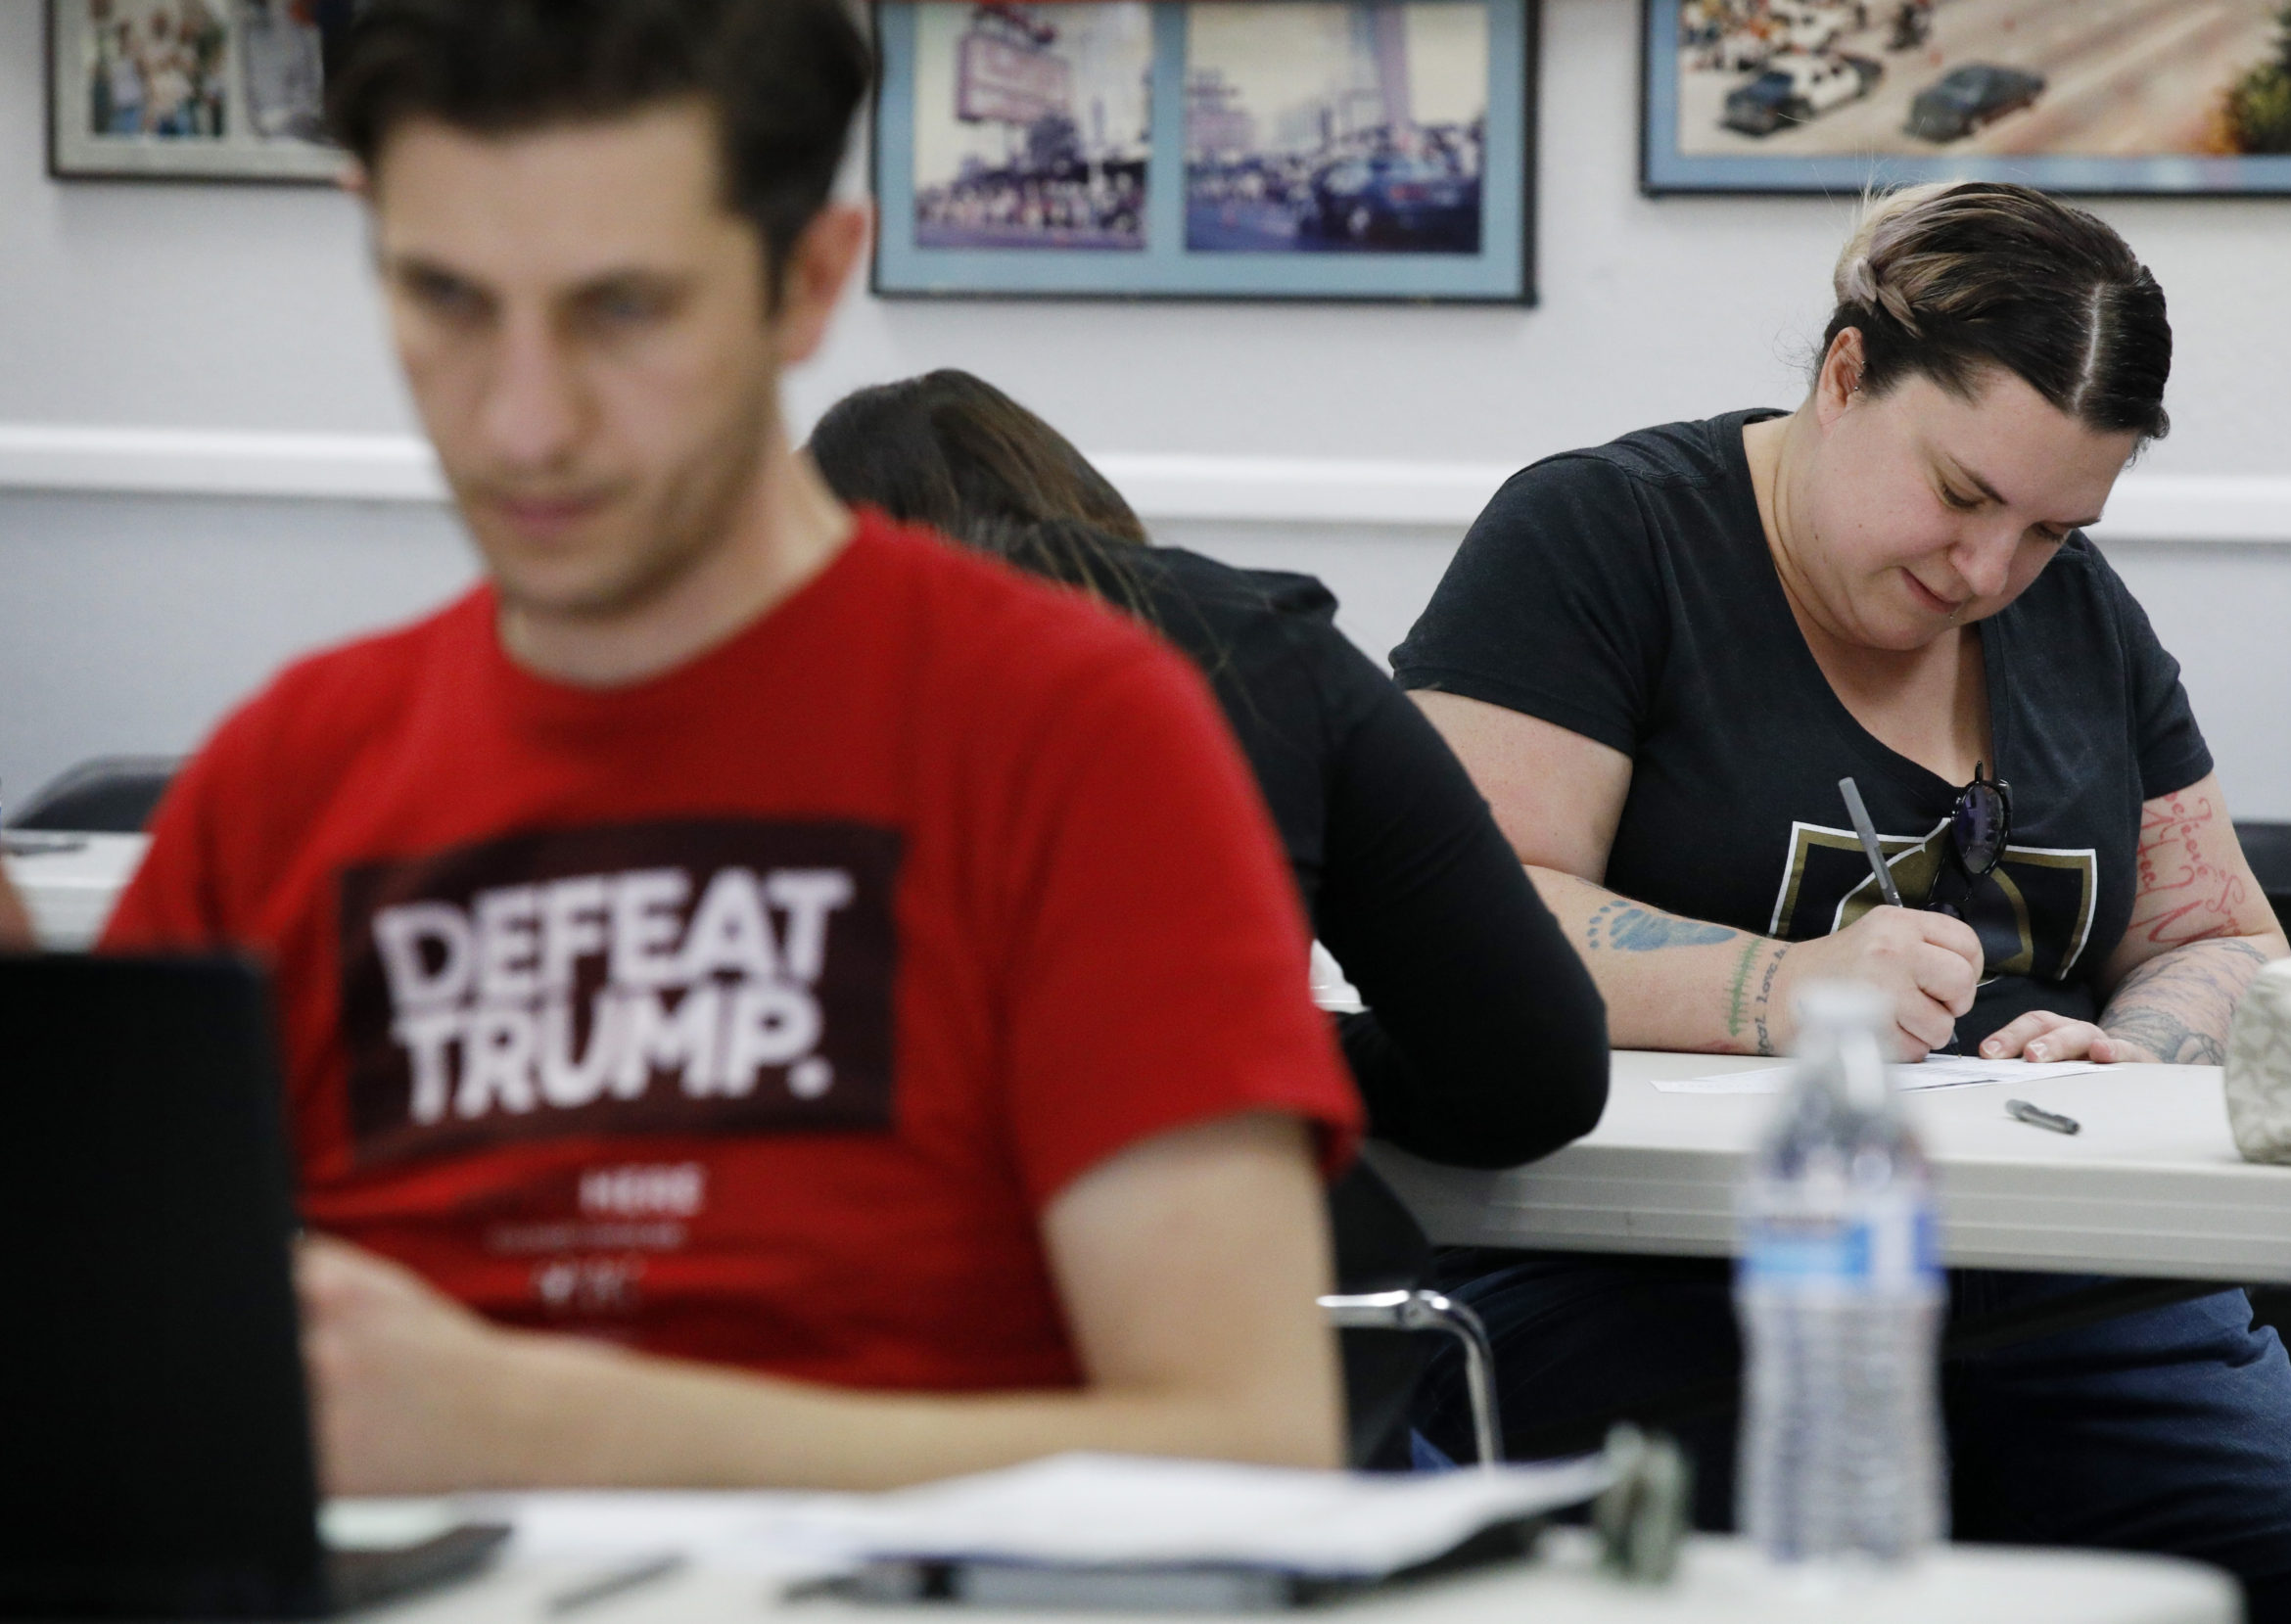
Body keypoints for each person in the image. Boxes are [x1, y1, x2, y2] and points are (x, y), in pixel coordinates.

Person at [101, 0, 1360, 1495]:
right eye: (443, 299)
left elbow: (1245, 1444)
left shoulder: (1075, 740)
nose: (522, 421)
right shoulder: (285, 777)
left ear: (809, 280)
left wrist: (541, 1428)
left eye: (622, 310)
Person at [1393, 181, 2291, 1619]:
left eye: (2052, 526)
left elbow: (2220, 932)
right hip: (1661, 1289)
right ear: (1844, 375)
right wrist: (1776, 988)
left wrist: (2140, 1047)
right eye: (1964, 493)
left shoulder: (2072, 606)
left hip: (2079, 1297)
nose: (1989, 571)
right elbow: (1462, 919)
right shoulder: (1604, 540)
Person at [805, 371, 1610, 1174]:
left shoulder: (784, 667)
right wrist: (1251, 1051)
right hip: (1200, 1243)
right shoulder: (1251, 646)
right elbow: (1530, 1067)